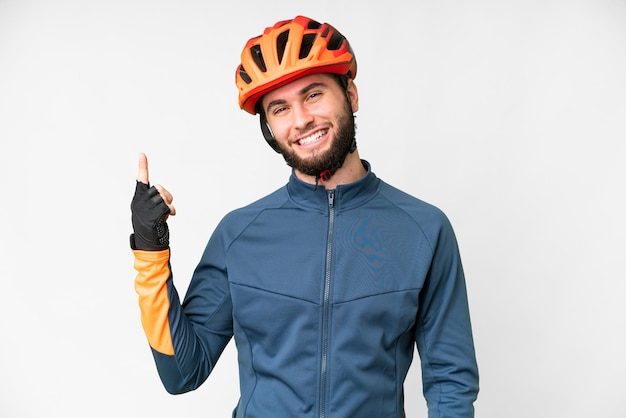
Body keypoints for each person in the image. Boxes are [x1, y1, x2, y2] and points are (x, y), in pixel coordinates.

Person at [130, 15, 479, 417]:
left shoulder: (424, 230)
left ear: (351, 94)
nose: (300, 120)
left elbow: (450, 381)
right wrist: (149, 247)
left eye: (313, 95)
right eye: (280, 108)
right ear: (269, 128)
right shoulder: (238, 234)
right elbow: (181, 373)